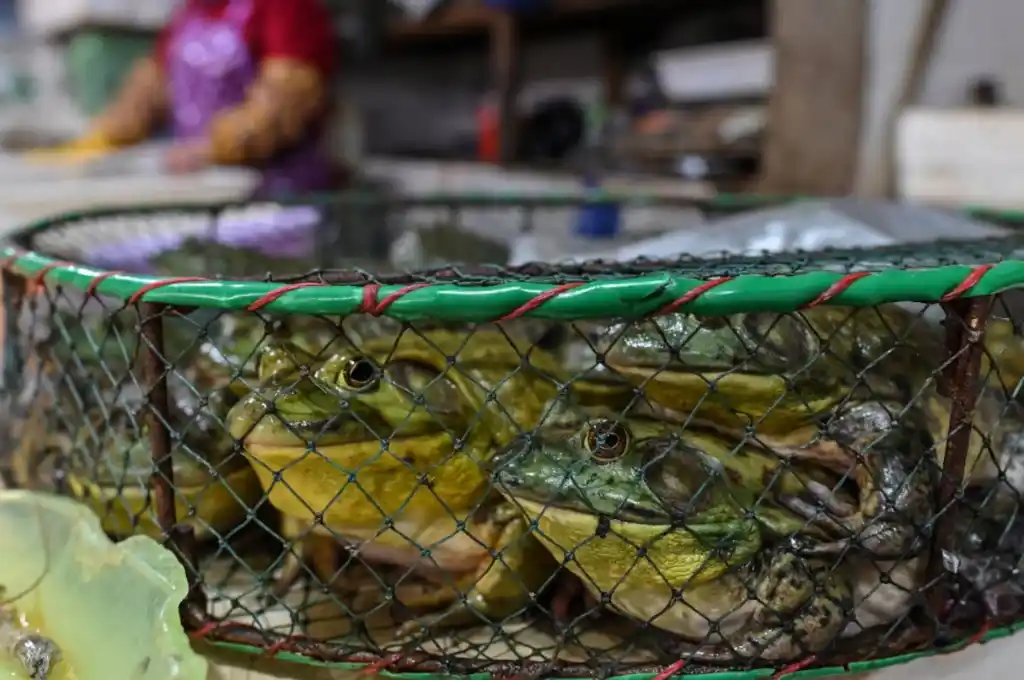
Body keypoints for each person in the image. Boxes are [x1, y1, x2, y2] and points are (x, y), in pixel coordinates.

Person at [40, 0, 338, 199]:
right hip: (202, 190)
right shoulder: (191, 13)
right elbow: (146, 94)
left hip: (277, 200)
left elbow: (286, 102)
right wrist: (98, 139)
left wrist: (212, 149)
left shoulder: (285, 7)